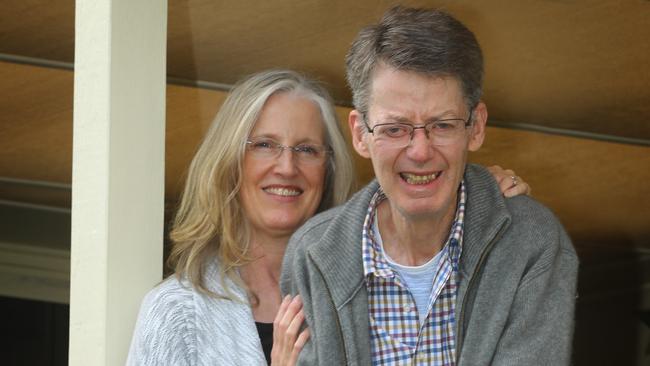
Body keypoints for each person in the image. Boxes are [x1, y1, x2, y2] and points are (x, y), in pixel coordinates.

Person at [126, 70, 531, 365]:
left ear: (329, 169)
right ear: (229, 162)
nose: (286, 167)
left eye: (306, 150)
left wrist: (479, 203)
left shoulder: (381, 282)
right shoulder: (177, 312)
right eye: (265, 145)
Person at [280, 6, 578, 366]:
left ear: (476, 126)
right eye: (395, 128)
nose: (420, 152)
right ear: (360, 134)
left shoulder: (530, 242)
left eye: (442, 125)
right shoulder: (314, 254)